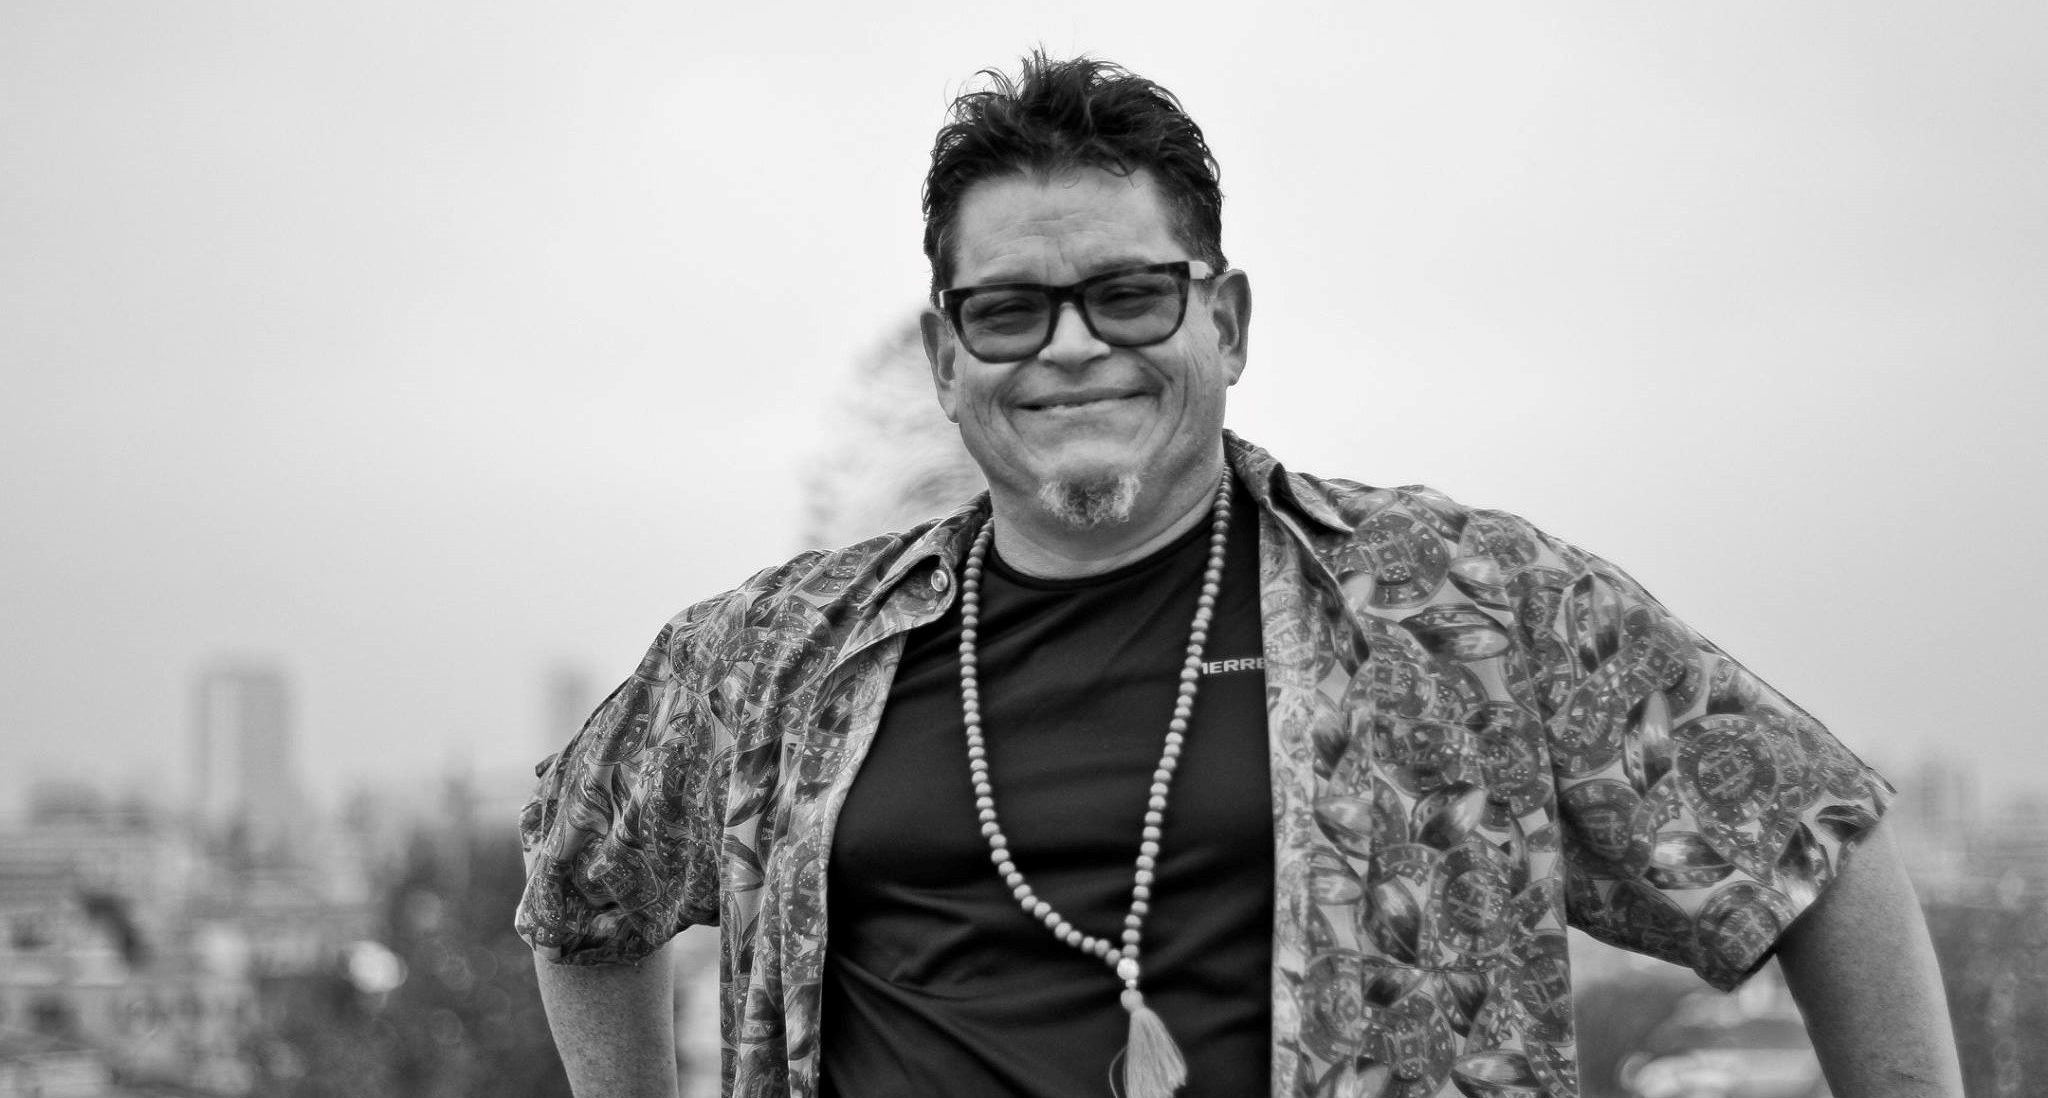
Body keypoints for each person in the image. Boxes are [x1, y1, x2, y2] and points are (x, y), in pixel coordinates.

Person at [517, 53, 1962, 1098]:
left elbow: (1809, 842)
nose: (1071, 346)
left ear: (1228, 322)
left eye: (1129, 294)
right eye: (1010, 311)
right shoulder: (777, 655)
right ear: (949, 359)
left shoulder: (1465, 608)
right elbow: (579, 885)